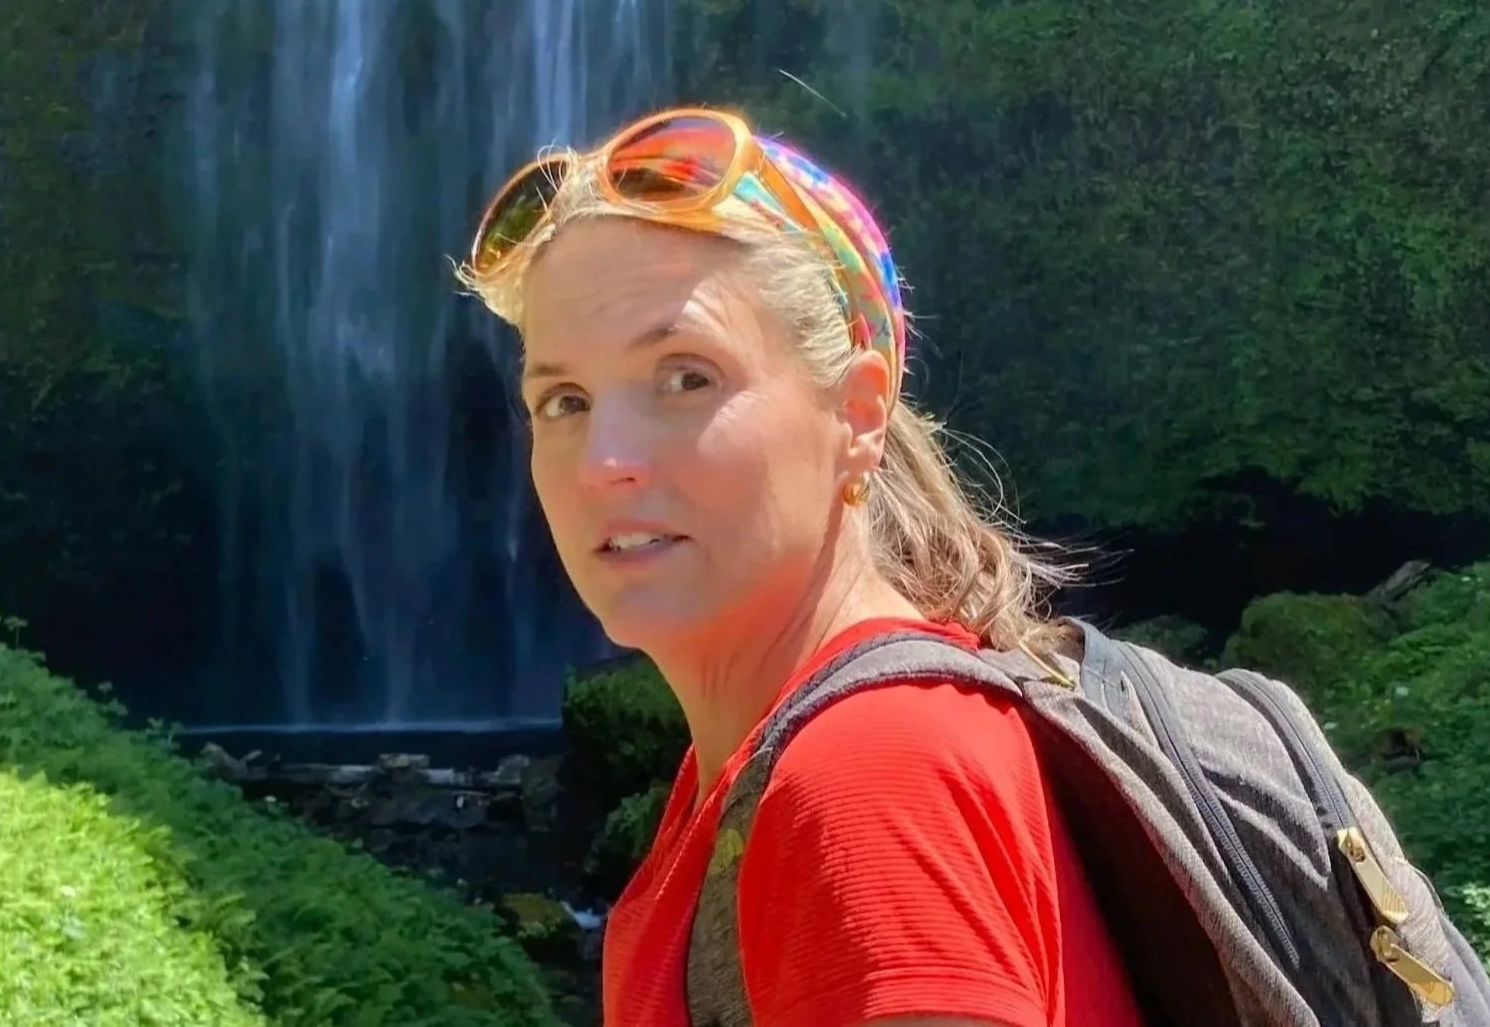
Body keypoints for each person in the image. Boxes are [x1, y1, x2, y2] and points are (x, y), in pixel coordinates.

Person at [458, 108, 1147, 1027]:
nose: (601, 461)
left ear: (856, 414)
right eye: (563, 399)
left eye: (684, 376)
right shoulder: (766, 767)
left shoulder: (870, 776)